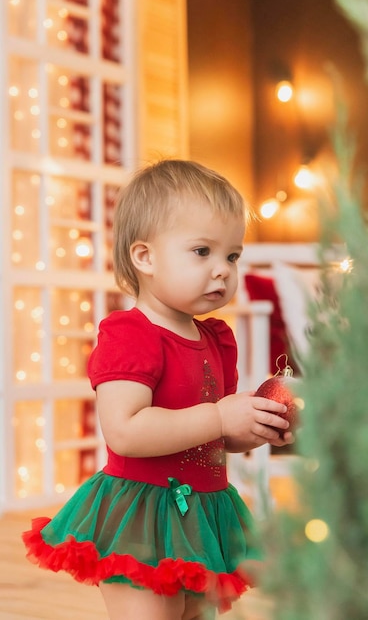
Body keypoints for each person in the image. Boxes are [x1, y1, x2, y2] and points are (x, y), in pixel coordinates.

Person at [23, 159, 294, 620]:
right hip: (141, 514)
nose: (222, 271)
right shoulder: (131, 334)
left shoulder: (215, 339)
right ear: (144, 257)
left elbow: (217, 436)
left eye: (232, 256)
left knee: (195, 614)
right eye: (202, 251)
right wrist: (220, 417)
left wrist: (251, 427)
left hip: (202, 513)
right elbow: (126, 430)